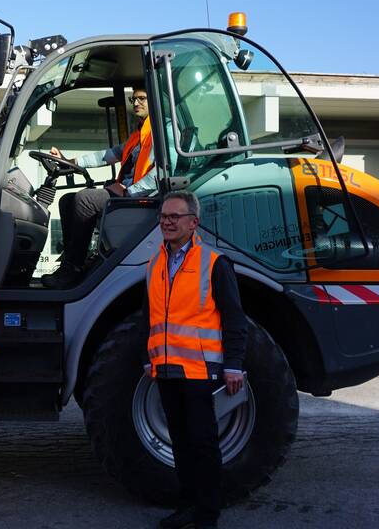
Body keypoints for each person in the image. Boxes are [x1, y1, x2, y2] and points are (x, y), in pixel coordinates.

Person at [146, 190, 247, 529]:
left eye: (175, 216)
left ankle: (207, 515)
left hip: (200, 371)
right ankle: (188, 506)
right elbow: (153, 317)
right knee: (181, 442)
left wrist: (233, 365)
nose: (167, 221)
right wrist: (151, 360)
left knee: (203, 444)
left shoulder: (214, 263)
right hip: (166, 370)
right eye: (163, 216)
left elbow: (234, 319)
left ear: (194, 222)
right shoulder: (155, 262)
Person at [41, 86, 156, 288]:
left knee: (85, 200)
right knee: (67, 200)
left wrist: (131, 191)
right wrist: (70, 160)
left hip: (141, 201)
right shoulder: (138, 134)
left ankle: (75, 267)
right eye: (134, 100)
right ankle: (71, 262)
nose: (136, 103)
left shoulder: (162, 132)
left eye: (142, 99)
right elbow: (108, 154)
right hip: (127, 195)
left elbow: (165, 172)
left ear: (154, 100)